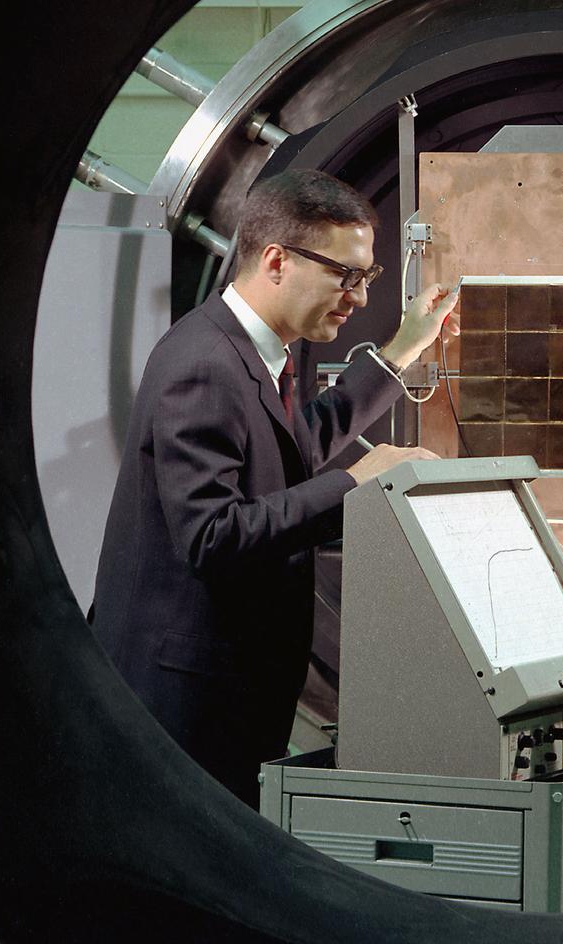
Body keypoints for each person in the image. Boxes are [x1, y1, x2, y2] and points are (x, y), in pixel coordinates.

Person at [91, 169, 458, 808]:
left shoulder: (248, 352)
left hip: (221, 688)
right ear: (276, 260)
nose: (359, 297)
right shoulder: (204, 365)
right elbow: (211, 536)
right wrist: (355, 484)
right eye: (344, 275)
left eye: (366, 277)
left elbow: (292, 448)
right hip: (185, 697)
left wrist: (401, 350)